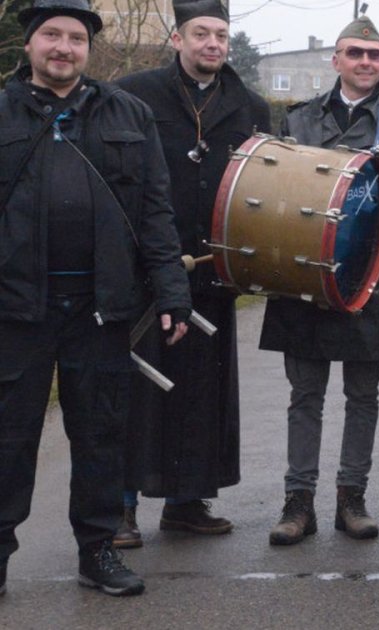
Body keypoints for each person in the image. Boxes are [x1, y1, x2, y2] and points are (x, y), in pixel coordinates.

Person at [0, 0, 192, 597]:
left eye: (76, 38)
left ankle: (98, 551)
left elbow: (156, 210)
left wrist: (172, 291)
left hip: (102, 306)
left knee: (101, 435)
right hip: (15, 308)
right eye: (51, 35)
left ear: (89, 48)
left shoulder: (128, 112)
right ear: (29, 44)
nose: (64, 47)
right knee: (8, 438)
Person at [258, 15, 379, 545]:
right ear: (336, 60)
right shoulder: (298, 121)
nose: (365, 62)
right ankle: (298, 503)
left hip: (371, 284)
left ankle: (351, 500)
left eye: (374, 55)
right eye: (355, 53)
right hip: (303, 278)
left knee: (363, 396)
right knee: (304, 395)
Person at [113, 0, 270, 549]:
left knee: (201, 392)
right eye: (201, 33)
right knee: (136, 389)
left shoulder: (250, 106)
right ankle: (120, 507)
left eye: (221, 35)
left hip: (211, 270)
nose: (213, 44)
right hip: (143, 268)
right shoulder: (132, 95)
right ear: (177, 39)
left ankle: (186, 502)